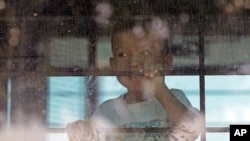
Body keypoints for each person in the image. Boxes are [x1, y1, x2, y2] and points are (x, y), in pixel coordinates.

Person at [66, 16, 202, 141]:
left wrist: (159, 88)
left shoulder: (174, 98)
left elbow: (191, 130)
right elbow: (90, 137)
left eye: (145, 52)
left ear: (166, 62)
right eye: (123, 54)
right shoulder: (108, 110)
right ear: (113, 65)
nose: (133, 62)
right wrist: (81, 132)